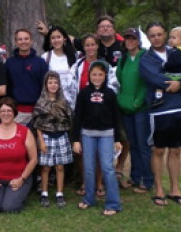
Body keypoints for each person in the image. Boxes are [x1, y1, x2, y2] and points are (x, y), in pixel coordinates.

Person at [140, 22, 181, 206]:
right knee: (158, 150)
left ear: (165, 34)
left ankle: (175, 189)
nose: (156, 38)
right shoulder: (146, 59)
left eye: (159, 34)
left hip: (180, 108)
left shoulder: (179, 51)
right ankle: (158, 190)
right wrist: (177, 85)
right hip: (159, 110)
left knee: (175, 150)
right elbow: (155, 78)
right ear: (148, 38)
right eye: (152, 35)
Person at [72, 60, 122, 216]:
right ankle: (89, 199)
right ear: (89, 75)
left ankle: (113, 203)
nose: (97, 77)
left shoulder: (110, 94)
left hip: (106, 135)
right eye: (94, 74)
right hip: (87, 134)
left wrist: (117, 139)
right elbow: (78, 117)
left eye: (100, 74)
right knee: (88, 168)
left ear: (105, 75)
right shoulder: (84, 93)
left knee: (107, 168)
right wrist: (75, 139)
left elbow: (116, 117)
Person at [0, 97, 38, 213]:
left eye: (9, 111)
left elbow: (33, 159)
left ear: (14, 113)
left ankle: (16, 194)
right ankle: (1, 193)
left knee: (9, 208)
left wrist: (21, 179)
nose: (6, 114)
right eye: (3, 111)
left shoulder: (24, 131)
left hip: (19, 178)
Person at [116, 28, 153, 193]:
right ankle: (135, 177)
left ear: (138, 41)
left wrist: (139, 101)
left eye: (133, 39)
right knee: (133, 145)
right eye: (127, 39)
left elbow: (148, 82)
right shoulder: (123, 60)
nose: (130, 42)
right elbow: (119, 79)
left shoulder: (145, 57)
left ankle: (148, 179)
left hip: (140, 108)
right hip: (125, 109)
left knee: (143, 144)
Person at [31, 71, 73, 208]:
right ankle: (44, 193)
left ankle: (59, 193)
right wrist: (41, 141)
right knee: (45, 167)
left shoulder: (63, 102)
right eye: (50, 82)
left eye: (55, 82)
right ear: (46, 84)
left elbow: (69, 120)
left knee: (60, 167)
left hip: (61, 135)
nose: (53, 85)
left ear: (59, 84)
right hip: (46, 136)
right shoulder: (41, 102)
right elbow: (37, 123)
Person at [36, 15, 124, 67]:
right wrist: (48, 32)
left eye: (108, 26)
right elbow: (69, 39)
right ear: (97, 30)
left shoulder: (122, 46)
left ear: (114, 29)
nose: (105, 29)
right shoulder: (90, 45)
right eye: (102, 27)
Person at [5, 28, 48, 125]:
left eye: (26, 39)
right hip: (16, 112)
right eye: (20, 39)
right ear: (16, 42)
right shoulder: (9, 63)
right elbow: (7, 87)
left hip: (37, 111)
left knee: (36, 140)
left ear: (31, 41)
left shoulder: (40, 63)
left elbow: (45, 87)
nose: (23, 42)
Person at [152, 26, 181, 109]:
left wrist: (164, 65)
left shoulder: (176, 52)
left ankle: (158, 97)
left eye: (173, 38)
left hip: (175, 74)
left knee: (158, 81)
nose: (170, 40)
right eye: (170, 37)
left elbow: (171, 63)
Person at [41, 26, 77, 109]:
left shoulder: (74, 56)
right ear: (49, 41)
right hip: (53, 101)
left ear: (64, 38)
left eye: (58, 37)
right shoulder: (45, 57)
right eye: (53, 38)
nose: (56, 40)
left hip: (71, 101)